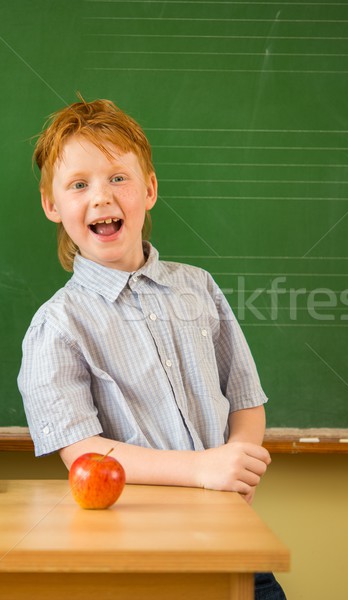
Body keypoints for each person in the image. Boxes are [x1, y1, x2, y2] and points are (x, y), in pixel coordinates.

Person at [18, 97, 286, 599]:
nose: (101, 198)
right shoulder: (57, 325)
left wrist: (239, 463)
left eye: (118, 177)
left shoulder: (199, 288)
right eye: (79, 184)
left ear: (150, 189)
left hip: (231, 541)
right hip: (131, 557)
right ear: (52, 206)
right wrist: (204, 470)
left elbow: (245, 397)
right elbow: (82, 452)